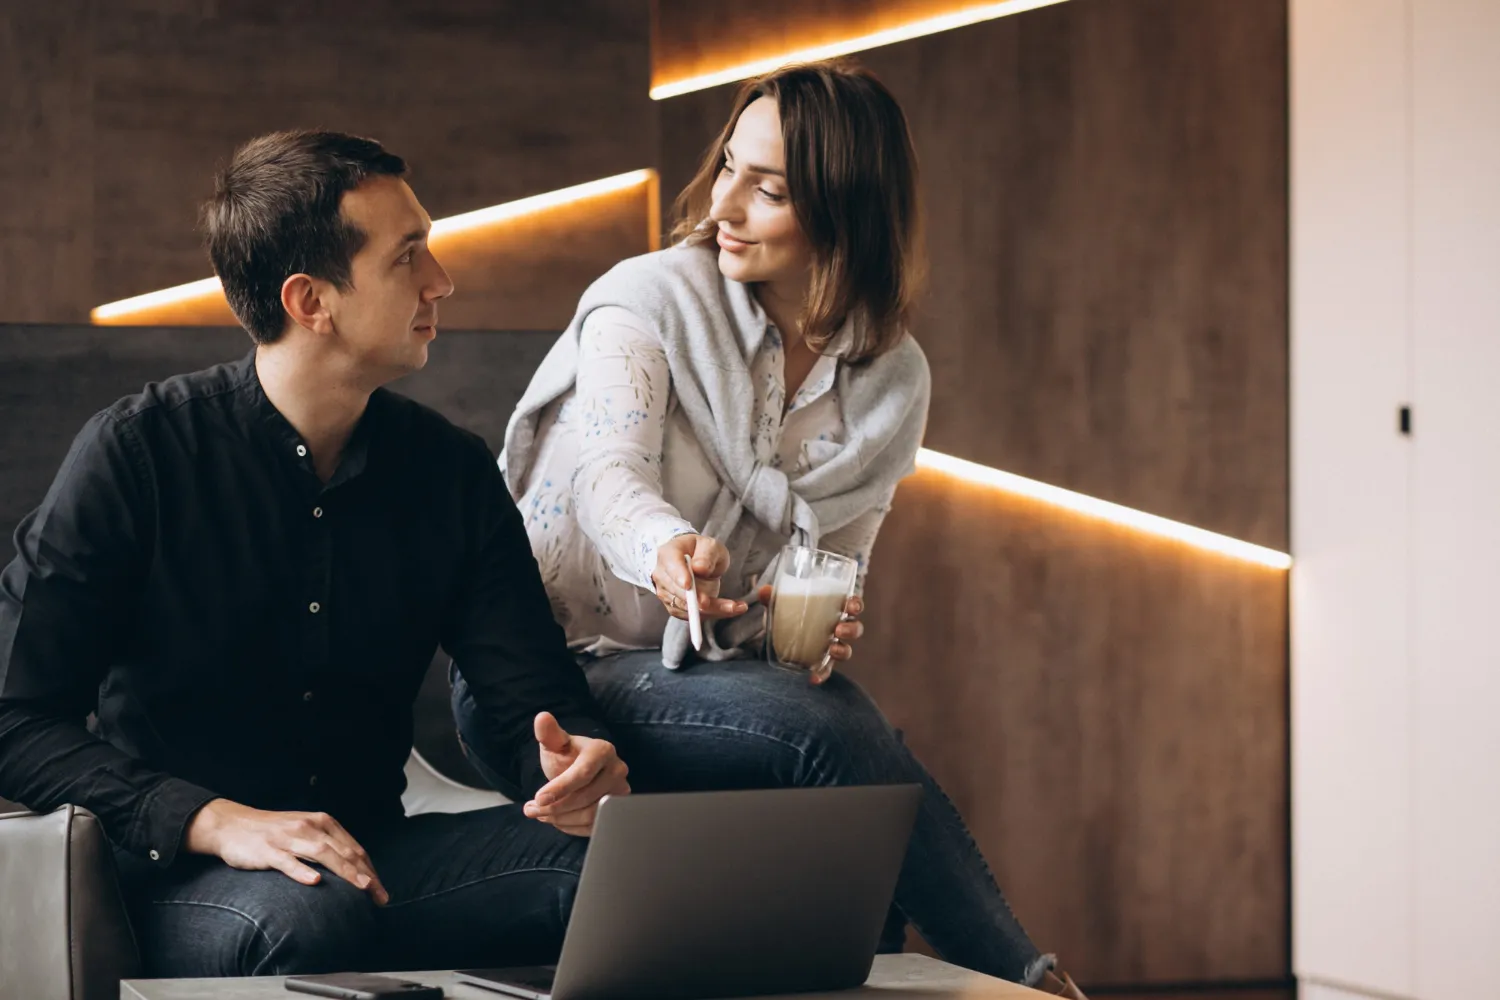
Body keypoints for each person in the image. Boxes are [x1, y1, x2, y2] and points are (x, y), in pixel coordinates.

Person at [453, 62, 1087, 997]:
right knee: (829, 735)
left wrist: (824, 630)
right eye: (727, 170)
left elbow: (840, 564)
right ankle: (1027, 979)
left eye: (770, 189)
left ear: (847, 211)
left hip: (719, 680)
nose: (726, 206)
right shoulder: (649, 298)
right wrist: (668, 554)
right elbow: (606, 476)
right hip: (552, 675)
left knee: (845, 830)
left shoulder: (894, 378)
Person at [0, 130, 629, 978]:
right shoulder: (138, 453)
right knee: (307, 912)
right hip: (187, 874)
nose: (440, 280)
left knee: (617, 875)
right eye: (408, 257)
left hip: (377, 859)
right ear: (310, 301)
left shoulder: (450, 469)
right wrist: (211, 818)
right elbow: (14, 720)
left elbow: (532, 696)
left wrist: (571, 761)